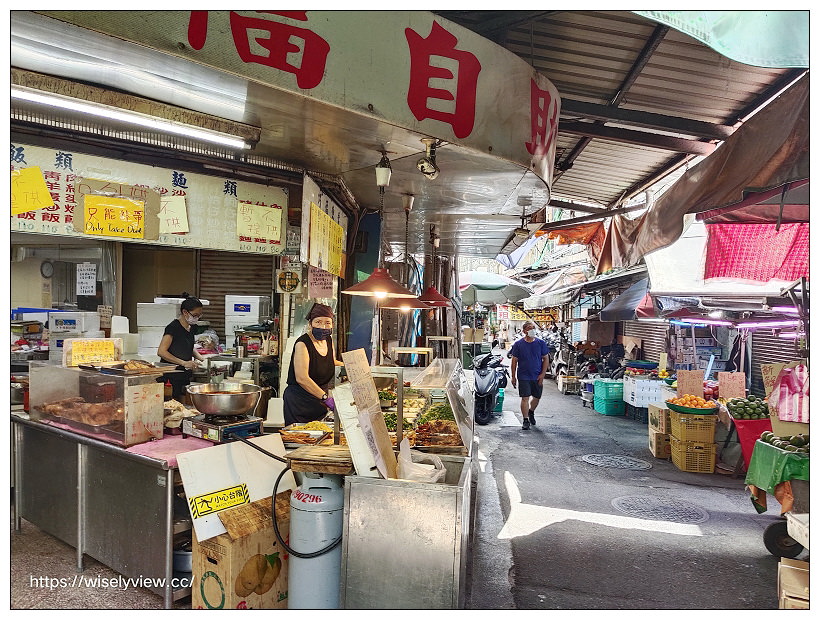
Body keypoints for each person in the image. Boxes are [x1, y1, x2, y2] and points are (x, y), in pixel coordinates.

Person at [283, 303, 345, 426]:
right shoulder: (302, 344)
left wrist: (352, 366)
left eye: (327, 322)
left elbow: (331, 361)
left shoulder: (328, 340)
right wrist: (326, 398)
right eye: (318, 322)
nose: (323, 326)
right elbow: (302, 378)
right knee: (301, 441)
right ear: (310, 324)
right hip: (300, 403)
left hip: (318, 402)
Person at [157, 296, 206, 400]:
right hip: (171, 376)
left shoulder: (191, 327)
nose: (197, 318)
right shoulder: (173, 327)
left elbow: (188, 346)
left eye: (199, 315)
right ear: (185, 312)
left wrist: (202, 359)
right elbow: (161, 351)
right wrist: (183, 363)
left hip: (184, 375)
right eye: (195, 315)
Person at [509, 320, 550, 430]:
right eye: (530, 328)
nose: (532, 330)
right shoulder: (518, 344)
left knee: (537, 397)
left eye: (533, 328)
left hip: (537, 375)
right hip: (523, 375)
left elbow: (546, 359)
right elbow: (514, 361)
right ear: (524, 331)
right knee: (525, 398)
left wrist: (542, 374)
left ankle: (531, 412)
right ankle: (525, 419)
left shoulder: (540, 343)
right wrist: (513, 376)